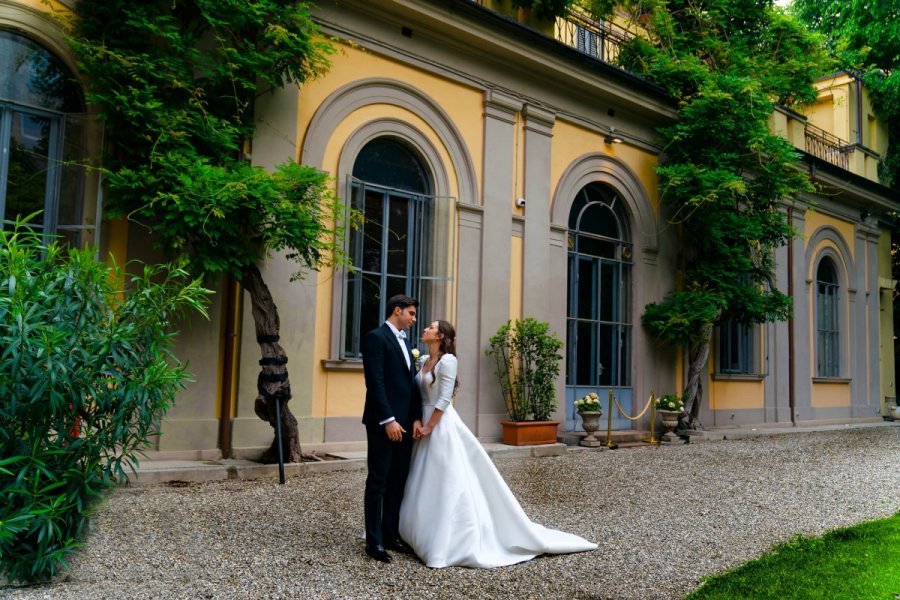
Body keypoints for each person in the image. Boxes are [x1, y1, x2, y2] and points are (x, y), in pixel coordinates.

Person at [399, 320, 597, 568]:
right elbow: (418, 395)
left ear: (441, 335)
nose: (425, 328)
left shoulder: (447, 360)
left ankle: (447, 540)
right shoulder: (424, 360)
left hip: (440, 424)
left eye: (431, 326)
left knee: (445, 476)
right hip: (423, 422)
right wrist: (418, 420)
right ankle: (413, 530)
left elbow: (445, 398)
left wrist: (430, 426)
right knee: (419, 476)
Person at [361, 294, 423, 563]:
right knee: (378, 481)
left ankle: (391, 535)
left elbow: (412, 385)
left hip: (406, 424)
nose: (413, 319)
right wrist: (388, 420)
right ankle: (374, 542)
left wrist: (416, 418)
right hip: (383, 424)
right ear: (396, 311)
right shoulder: (376, 337)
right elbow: (375, 382)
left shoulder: (406, 341)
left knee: (398, 481)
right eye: (410, 313)